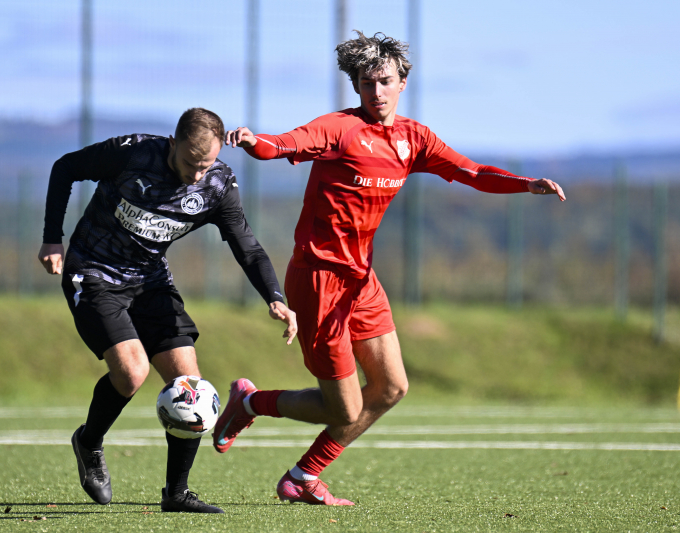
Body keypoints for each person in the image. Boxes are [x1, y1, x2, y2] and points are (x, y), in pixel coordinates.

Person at [213, 31, 566, 505]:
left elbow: (471, 172)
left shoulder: (413, 138)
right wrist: (254, 140)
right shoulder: (339, 129)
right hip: (319, 280)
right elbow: (283, 143)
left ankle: (302, 477)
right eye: (366, 83)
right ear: (356, 86)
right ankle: (250, 402)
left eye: (384, 81)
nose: (375, 92)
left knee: (391, 387)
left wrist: (525, 184)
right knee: (344, 408)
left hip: (361, 280)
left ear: (403, 82)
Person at [37, 107, 297, 513]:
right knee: (132, 373)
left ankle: (176, 493)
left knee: (190, 385)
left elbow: (247, 245)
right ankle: (89, 442)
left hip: (150, 279)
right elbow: (65, 167)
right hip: (94, 270)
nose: (196, 174)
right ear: (172, 143)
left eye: (205, 164)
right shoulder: (132, 153)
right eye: (190, 162)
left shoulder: (217, 185)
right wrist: (53, 238)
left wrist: (275, 297)